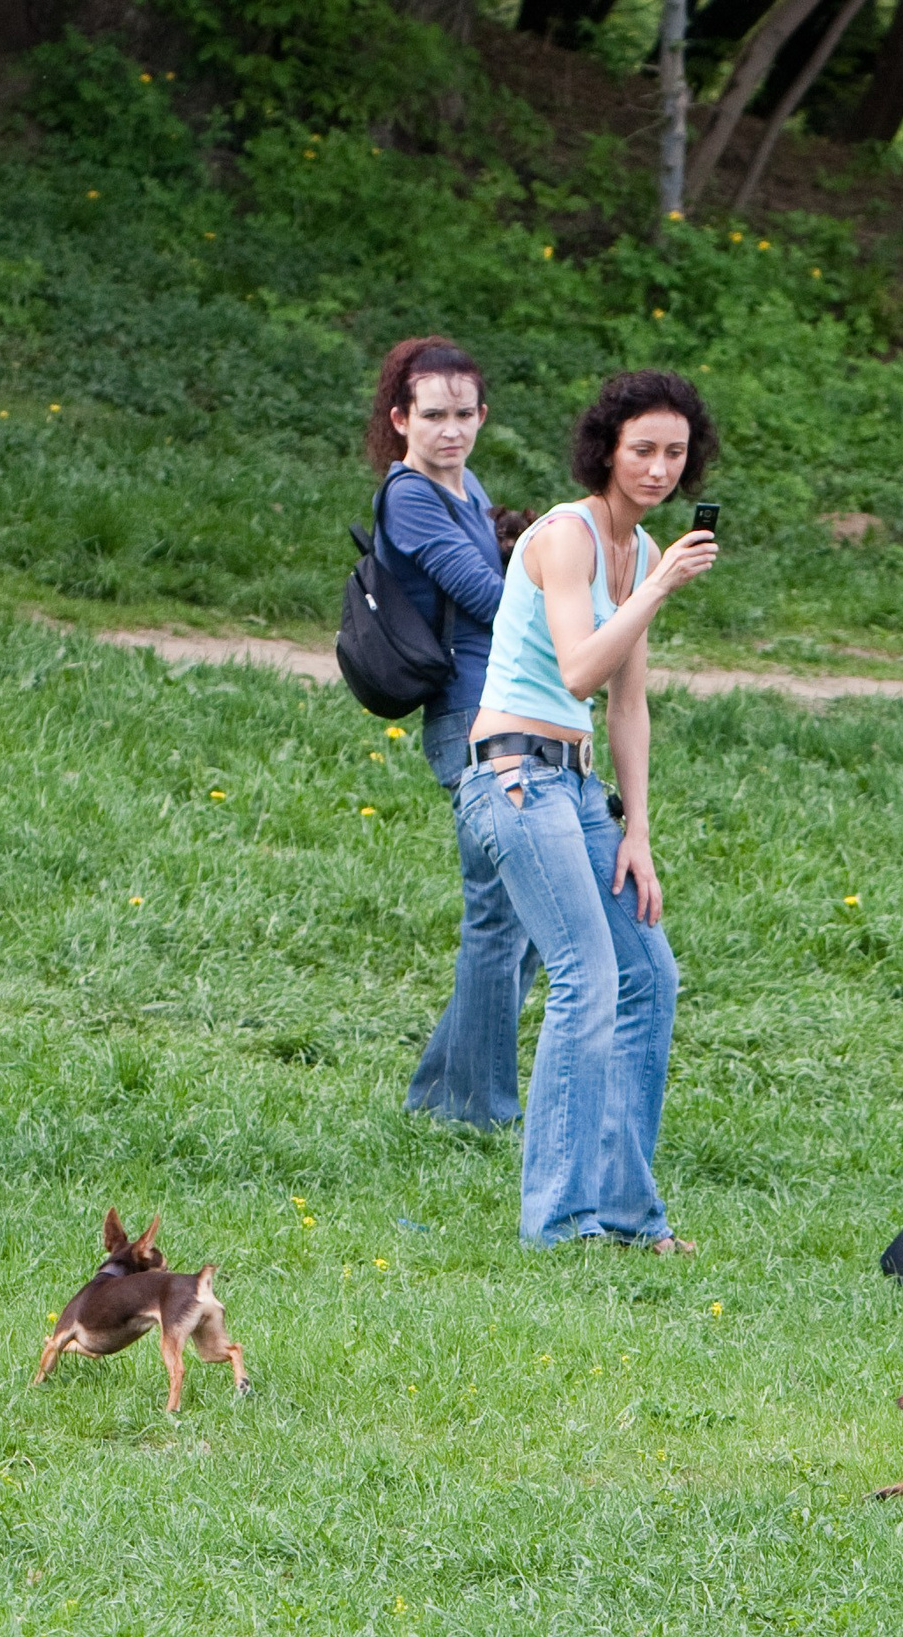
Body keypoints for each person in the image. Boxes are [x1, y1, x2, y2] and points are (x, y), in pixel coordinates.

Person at [460, 371, 720, 1253]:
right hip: (512, 780)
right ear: (607, 447)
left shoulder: (643, 551)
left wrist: (637, 829)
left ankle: (625, 1215)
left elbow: (627, 703)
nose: (656, 467)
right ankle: (559, 1225)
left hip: (575, 787)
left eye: (673, 453)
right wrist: (657, 591)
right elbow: (577, 669)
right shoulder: (566, 537)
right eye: (641, 448)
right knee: (588, 977)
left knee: (651, 976)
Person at [365, 337, 539, 1129]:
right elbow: (490, 598)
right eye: (432, 414)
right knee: (501, 916)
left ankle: (441, 1097)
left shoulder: (470, 489)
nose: (450, 430)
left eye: (464, 413)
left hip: (510, 709)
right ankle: (479, 1112)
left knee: (522, 918)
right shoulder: (408, 496)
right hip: (468, 722)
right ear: (401, 418)